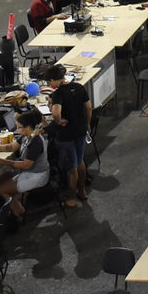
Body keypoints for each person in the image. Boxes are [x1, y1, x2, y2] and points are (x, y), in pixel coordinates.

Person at [0, 108, 51, 222]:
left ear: (28, 127)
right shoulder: (26, 136)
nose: (17, 129)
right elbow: (11, 147)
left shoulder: (35, 142)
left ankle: (18, 214)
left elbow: (26, 165)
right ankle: (14, 202)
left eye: (19, 127)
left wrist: (4, 162)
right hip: (28, 172)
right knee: (2, 179)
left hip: (36, 175)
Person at [47, 64, 91, 207]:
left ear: (54, 80)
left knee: (72, 167)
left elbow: (55, 113)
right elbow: (88, 107)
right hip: (80, 130)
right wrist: (87, 124)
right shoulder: (79, 87)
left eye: (50, 81)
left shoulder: (58, 94)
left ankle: (72, 198)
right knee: (80, 162)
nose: (50, 84)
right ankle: (82, 191)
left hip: (66, 135)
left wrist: (59, 121)